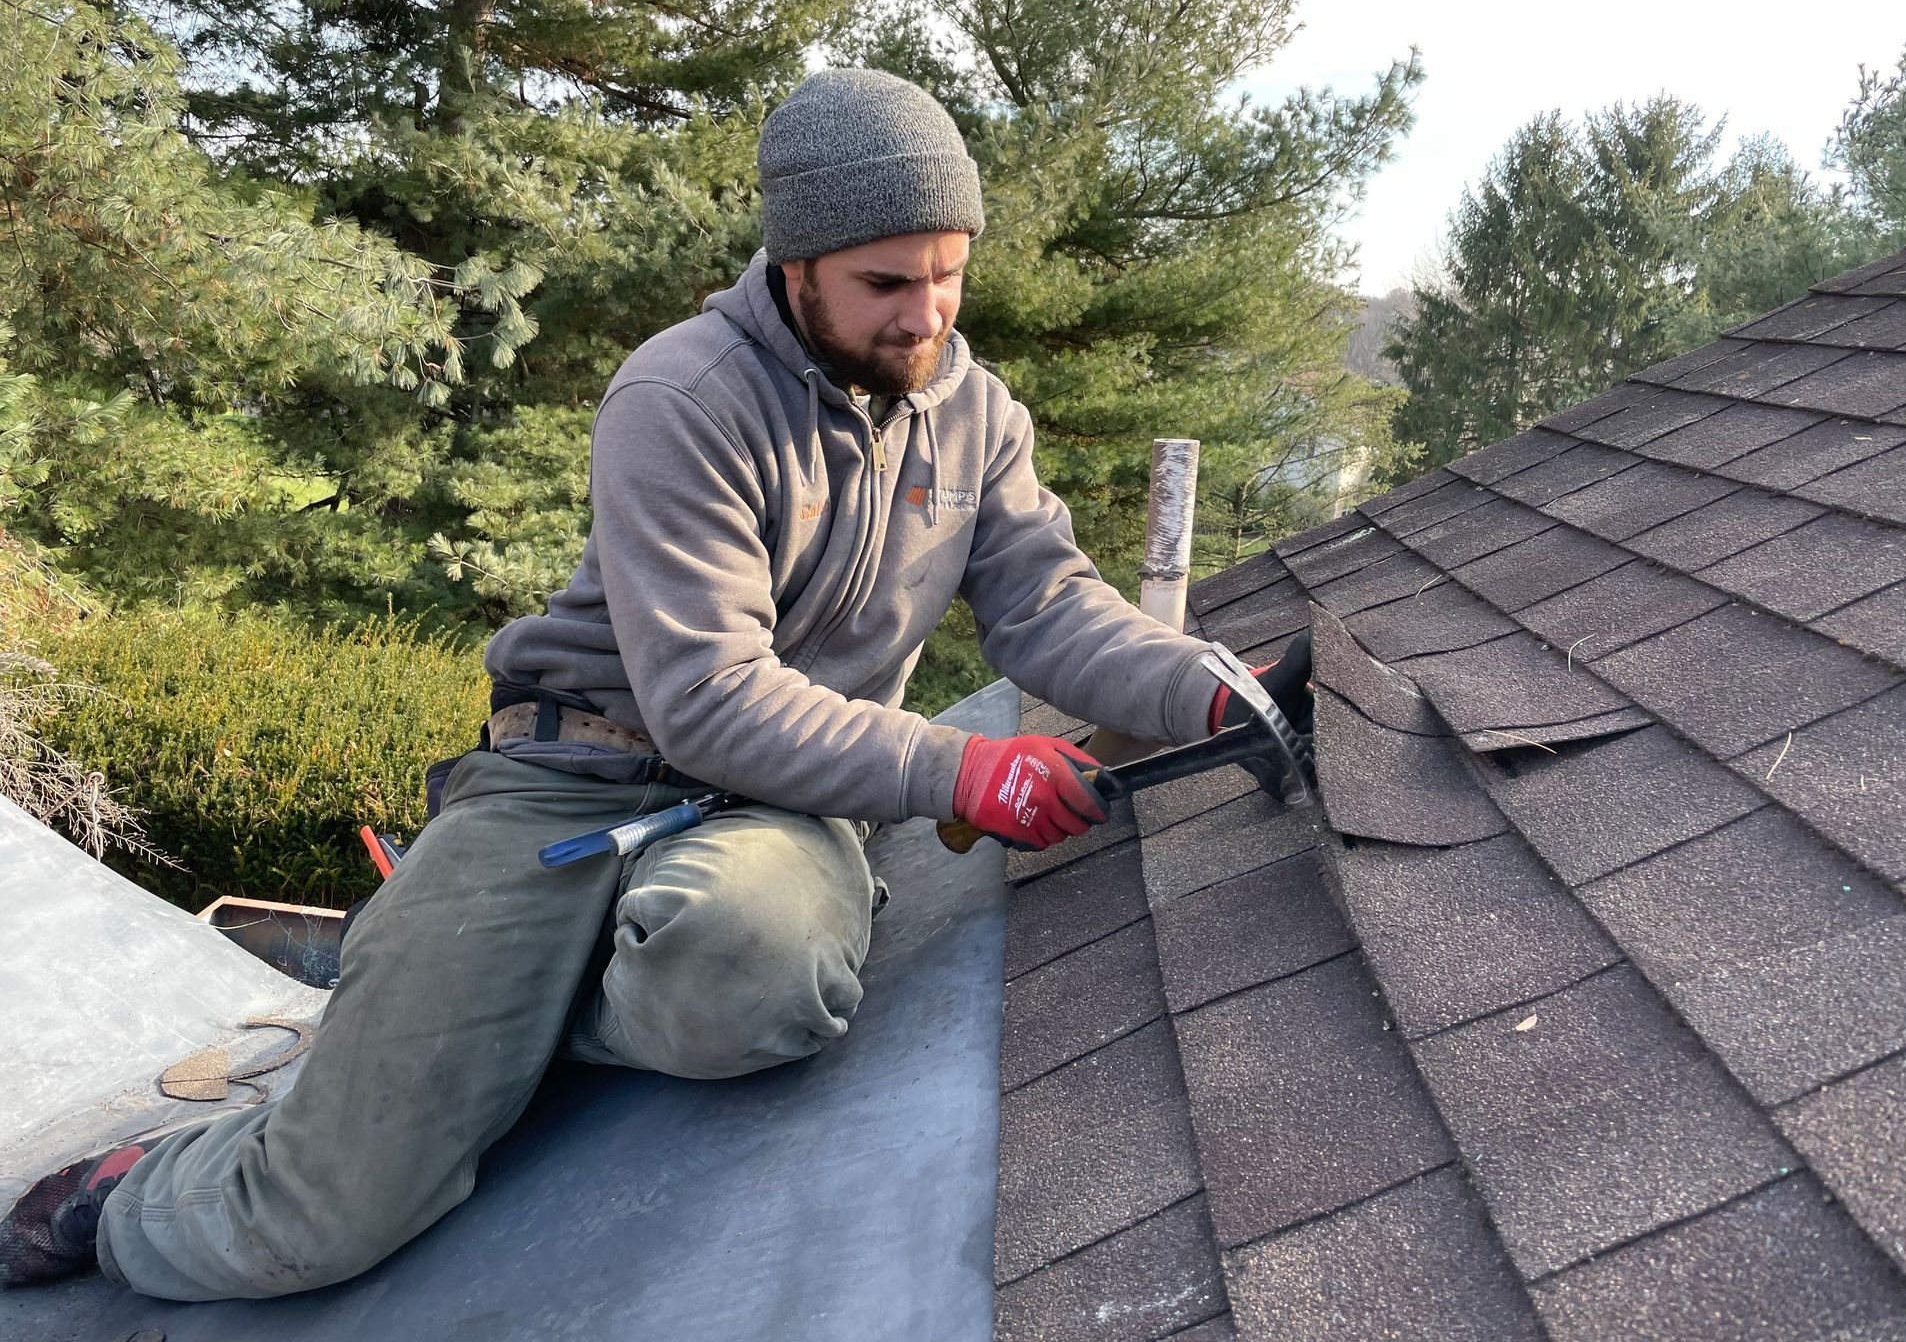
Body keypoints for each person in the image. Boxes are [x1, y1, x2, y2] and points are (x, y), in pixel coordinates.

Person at [0, 67, 1310, 1299]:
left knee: (761, 975)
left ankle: (487, 1020)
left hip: (781, 810)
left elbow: (1046, 604)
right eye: (885, 283)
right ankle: (129, 1199)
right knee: (325, 1218)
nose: (926, 316)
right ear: (795, 263)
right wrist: (957, 766)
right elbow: (709, 700)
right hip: (567, 776)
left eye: (948, 278)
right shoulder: (681, 397)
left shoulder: (976, 415)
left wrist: (1193, 689)